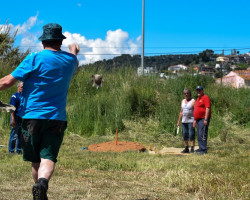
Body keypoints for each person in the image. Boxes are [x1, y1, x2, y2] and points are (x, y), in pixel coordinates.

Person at [0, 23, 79, 200]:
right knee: (48, 157)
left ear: (43, 41)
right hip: (56, 118)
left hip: (31, 117)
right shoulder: (70, 61)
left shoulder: (34, 58)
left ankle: (39, 189)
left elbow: (6, 83)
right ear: (60, 41)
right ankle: (42, 185)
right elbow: (75, 58)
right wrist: (74, 50)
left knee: (36, 159)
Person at [193, 86, 211, 155]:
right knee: (199, 134)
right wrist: (195, 120)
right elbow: (196, 110)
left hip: (203, 119)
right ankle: (200, 148)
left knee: (203, 134)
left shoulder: (205, 97)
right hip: (198, 119)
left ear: (202, 91)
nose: (198, 92)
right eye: (197, 90)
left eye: (199, 90)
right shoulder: (198, 99)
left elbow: (207, 108)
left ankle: (203, 150)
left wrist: (206, 119)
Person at [177, 88, 196, 153]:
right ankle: (186, 148)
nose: (186, 94)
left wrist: (195, 120)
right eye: (185, 93)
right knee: (185, 134)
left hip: (191, 120)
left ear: (190, 94)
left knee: (191, 134)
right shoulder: (182, 101)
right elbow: (181, 112)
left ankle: (192, 148)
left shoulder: (193, 101)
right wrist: (178, 121)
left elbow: (195, 111)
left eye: (187, 93)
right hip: (184, 121)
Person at [8, 81, 23, 154]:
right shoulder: (15, 96)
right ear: (18, 87)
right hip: (15, 117)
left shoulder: (24, 96)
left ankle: (19, 150)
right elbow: (11, 108)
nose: (23, 89)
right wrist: (13, 119)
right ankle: (11, 150)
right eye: (22, 87)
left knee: (20, 134)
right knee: (14, 134)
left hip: (22, 117)